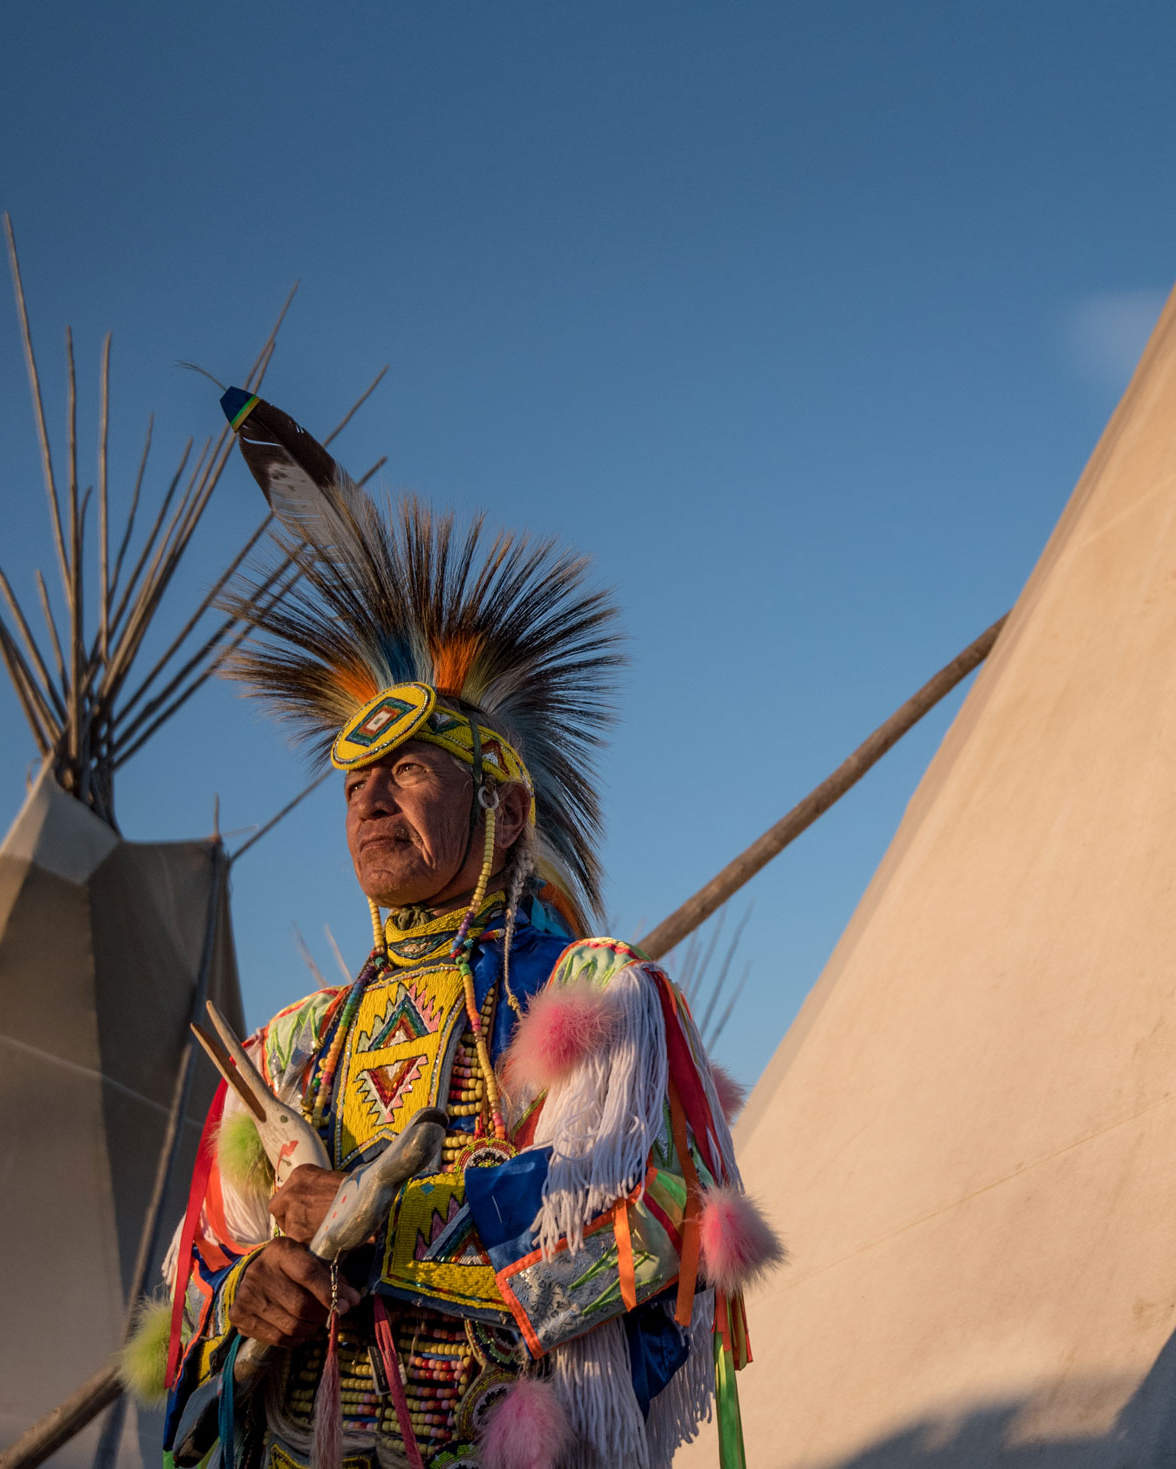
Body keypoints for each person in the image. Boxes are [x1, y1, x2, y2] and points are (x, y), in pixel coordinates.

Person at [139, 389, 779, 1469]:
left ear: (506, 810)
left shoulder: (591, 995)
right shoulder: (288, 1048)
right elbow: (192, 1281)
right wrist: (246, 1285)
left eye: (408, 769)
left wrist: (391, 1225)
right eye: (353, 783)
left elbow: (648, 1226)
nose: (370, 798)